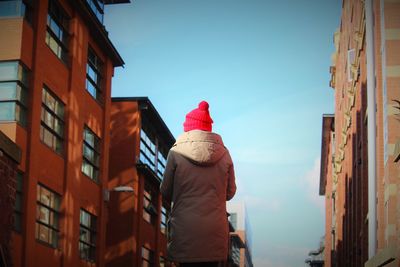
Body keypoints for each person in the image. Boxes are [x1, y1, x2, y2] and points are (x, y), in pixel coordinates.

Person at [160, 101, 237, 267]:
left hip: (184, 230)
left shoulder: (176, 152)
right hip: (214, 232)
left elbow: (165, 190)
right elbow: (230, 193)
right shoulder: (224, 154)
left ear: (188, 127)